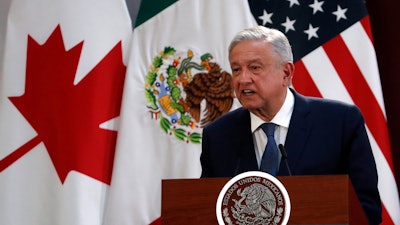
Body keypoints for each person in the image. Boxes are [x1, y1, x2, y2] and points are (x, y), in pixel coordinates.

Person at [200, 26, 382, 224]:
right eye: (236, 69)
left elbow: (366, 209)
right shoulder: (218, 135)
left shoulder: (340, 122)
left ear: (286, 72)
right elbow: (205, 210)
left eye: (254, 68)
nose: (243, 79)